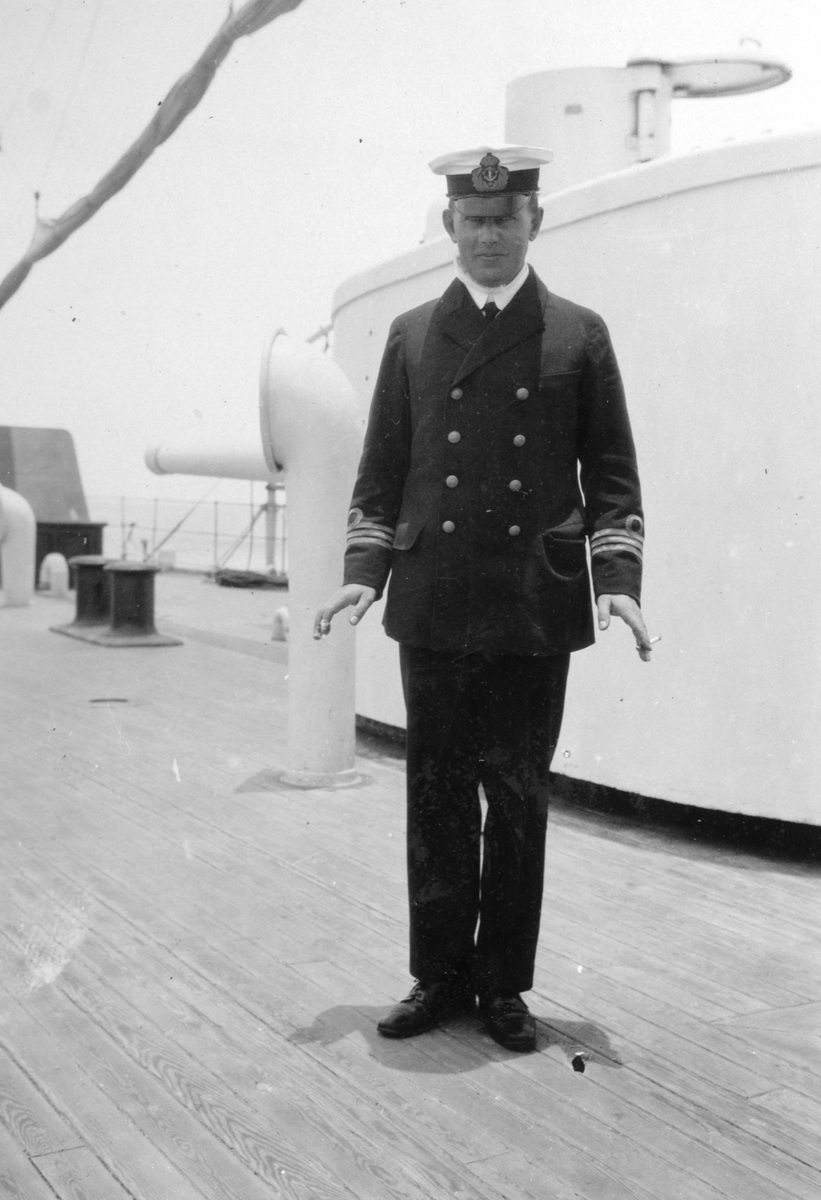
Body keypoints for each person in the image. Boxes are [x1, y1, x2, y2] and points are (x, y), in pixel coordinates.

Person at [314, 145, 650, 1053]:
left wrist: (617, 583)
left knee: (517, 798)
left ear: (534, 221)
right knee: (435, 794)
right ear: (450, 227)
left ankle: (501, 985)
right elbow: (381, 471)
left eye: (506, 219)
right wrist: (363, 570)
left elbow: (611, 475)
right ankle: (437, 977)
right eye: (474, 221)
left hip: (532, 602)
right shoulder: (411, 334)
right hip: (435, 596)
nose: (490, 235)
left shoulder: (577, 333)